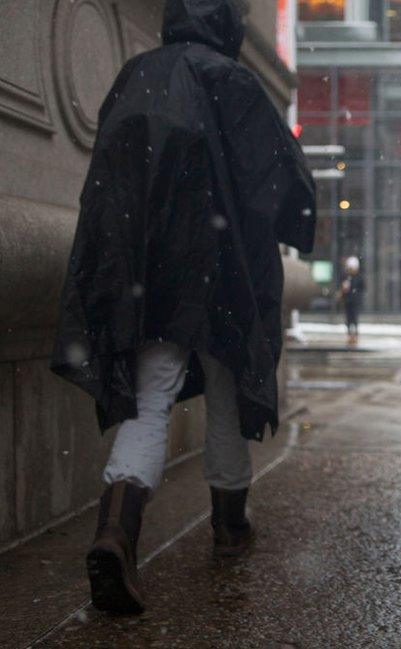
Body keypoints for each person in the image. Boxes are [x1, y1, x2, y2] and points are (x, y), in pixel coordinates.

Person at [50, 0, 315, 615]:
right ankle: (229, 524)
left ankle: (116, 531)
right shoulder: (234, 80)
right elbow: (277, 173)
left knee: (150, 399)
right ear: (226, 24)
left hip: (153, 270)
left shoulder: (137, 72)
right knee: (227, 387)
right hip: (223, 268)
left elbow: (112, 172)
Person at [340, 256, 364, 346]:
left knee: (354, 318)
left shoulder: (358, 278)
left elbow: (361, 288)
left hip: (354, 301)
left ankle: (355, 335)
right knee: (348, 319)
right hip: (348, 301)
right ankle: (350, 335)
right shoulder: (345, 276)